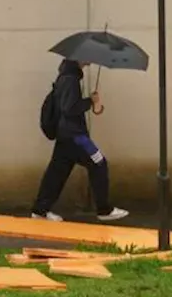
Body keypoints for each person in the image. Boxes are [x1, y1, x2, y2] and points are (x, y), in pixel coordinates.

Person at [31, 59, 129, 222]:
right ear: (78, 60)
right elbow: (69, 108)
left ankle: (40, 211)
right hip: (75, 136)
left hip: (65, 135)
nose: (90, 60)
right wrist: (90, 101)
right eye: (87, 58)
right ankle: (104, 210)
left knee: (56, 173)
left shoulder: (64, 77)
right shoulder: (71, 79)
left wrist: (90, 102)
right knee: (99, 163)